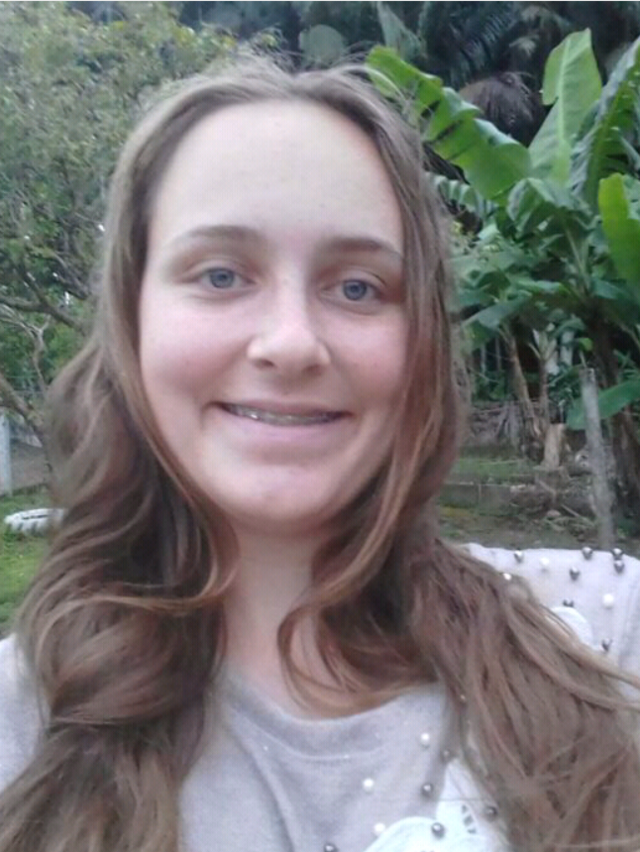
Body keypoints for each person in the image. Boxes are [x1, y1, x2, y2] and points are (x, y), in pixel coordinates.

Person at [0, 56, 639, 852]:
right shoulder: (22, 727)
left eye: (358, 287)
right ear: (132, 322)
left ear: (422, 342)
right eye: (221, 275)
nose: (292, 343)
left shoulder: (598, 639)